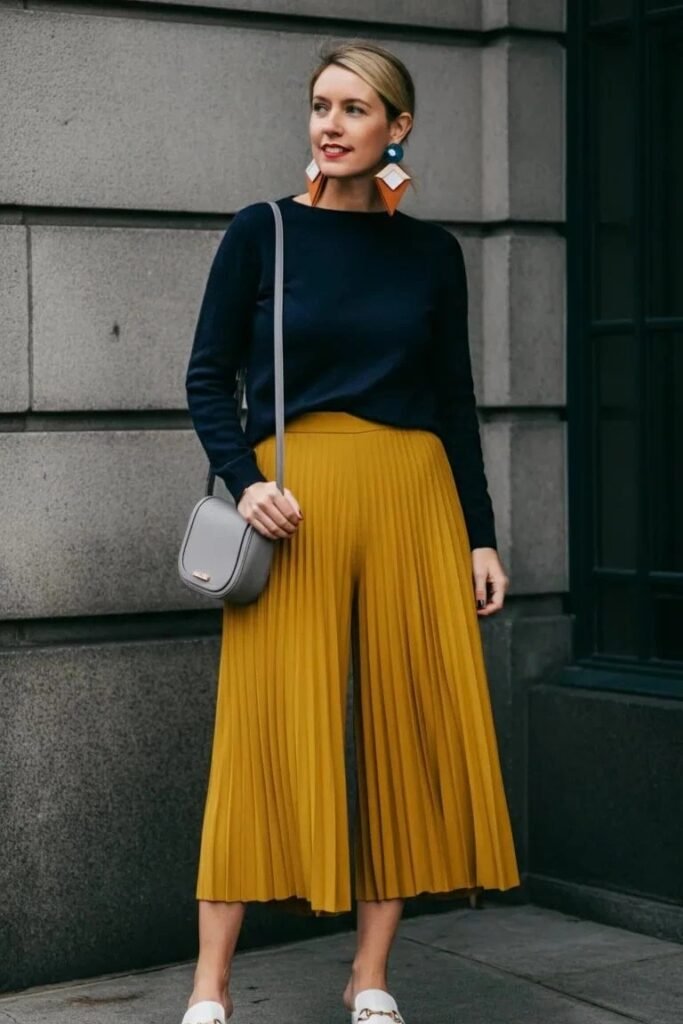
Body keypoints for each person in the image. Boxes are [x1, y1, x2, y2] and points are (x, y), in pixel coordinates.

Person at [181, 40, 521, 1024]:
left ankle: (369, 973)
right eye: (319, 106)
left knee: (403, 729)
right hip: (296, 503)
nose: (329, 125)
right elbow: (207, 377)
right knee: (261, 727)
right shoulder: (263, 232)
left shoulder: (430, 253)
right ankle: (210, 984)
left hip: (414, 497)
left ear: (396, 128)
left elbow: (452, 400)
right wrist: (244, 483)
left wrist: (479, 534)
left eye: (354, 109)